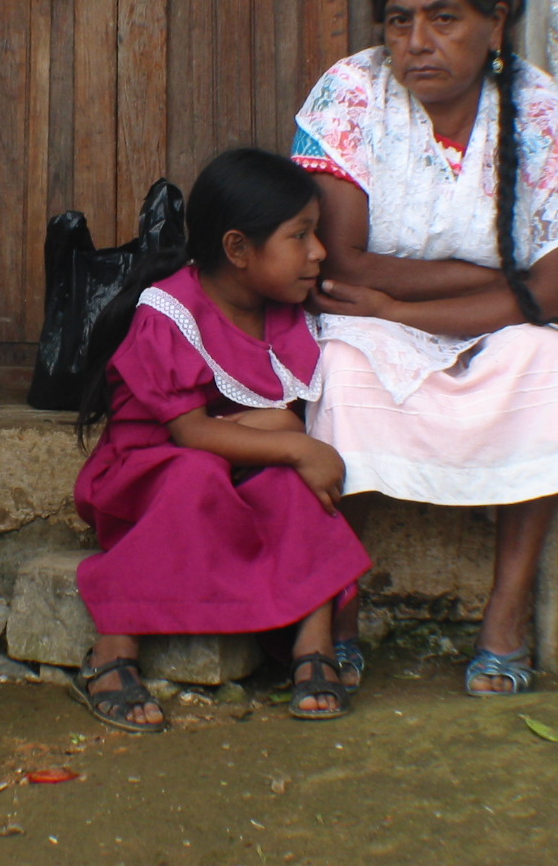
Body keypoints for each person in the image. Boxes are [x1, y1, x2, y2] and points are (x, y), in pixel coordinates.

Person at [291, 0, 558, 697]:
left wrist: (401, 299)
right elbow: (342, 266)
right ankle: (338, 614)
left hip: (474, 325)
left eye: (444, 18)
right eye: (400, 19)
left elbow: (550, 297)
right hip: (373, 323)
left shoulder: (540, 115)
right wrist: (480, 282)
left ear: (496, 21)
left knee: (549, 364)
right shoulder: (353, 93)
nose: (418, 41)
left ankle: (505, 620)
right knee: (341, 372)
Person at [69, 149, 372, 730]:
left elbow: (273, 418)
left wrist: (276, 435)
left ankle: (315, 643)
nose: (320, 252)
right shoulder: (169, 312)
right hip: (146, 474)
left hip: (235, 462)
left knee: (289, 487)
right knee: (200, 474)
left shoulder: (285, 311)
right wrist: (294, 441)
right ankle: (114, 648)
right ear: (238, 250)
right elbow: (190, 434)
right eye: (301, 236)